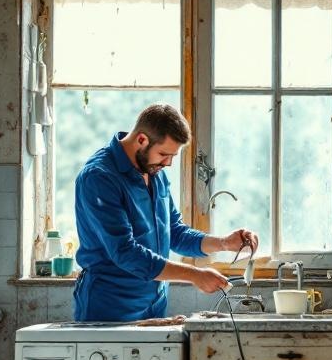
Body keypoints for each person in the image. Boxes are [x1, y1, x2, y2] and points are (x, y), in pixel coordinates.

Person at [73, 104, 258, 322]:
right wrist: (194, 275)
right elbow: (125, 252)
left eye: (172, 156)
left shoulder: (153, 170)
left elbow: (175, 232)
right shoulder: (98, 177)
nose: (168, 163)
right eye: (163, 154)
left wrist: (224, 243)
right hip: (110, 308)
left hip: (155, 305)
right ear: (142, 139)